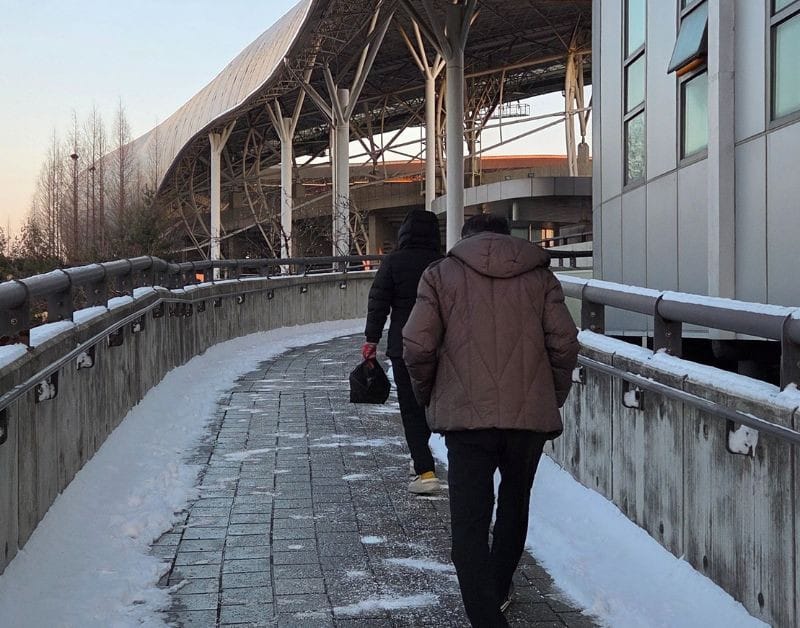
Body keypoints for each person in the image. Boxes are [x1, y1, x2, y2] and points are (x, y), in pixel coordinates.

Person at [402, 213, 579, 627]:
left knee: (469, 521)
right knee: (514, 506)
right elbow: (565, 342)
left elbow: (417, 344)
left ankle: (485, 616)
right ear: (508, 237)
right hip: (527, 422)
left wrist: (429, 396)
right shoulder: (540, 277)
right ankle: (499, 588)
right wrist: (548, 395)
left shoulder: (441, 274)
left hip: (467, 422)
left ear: (466, 239)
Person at [362, 209, 443, 494]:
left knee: (410, 407)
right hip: (441, 346)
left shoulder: (394, 262)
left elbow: (379, 302)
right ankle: (421, 457)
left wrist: (371, 340)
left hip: (404, 345)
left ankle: (425, 470)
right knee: (433, 404)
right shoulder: (444, 264)